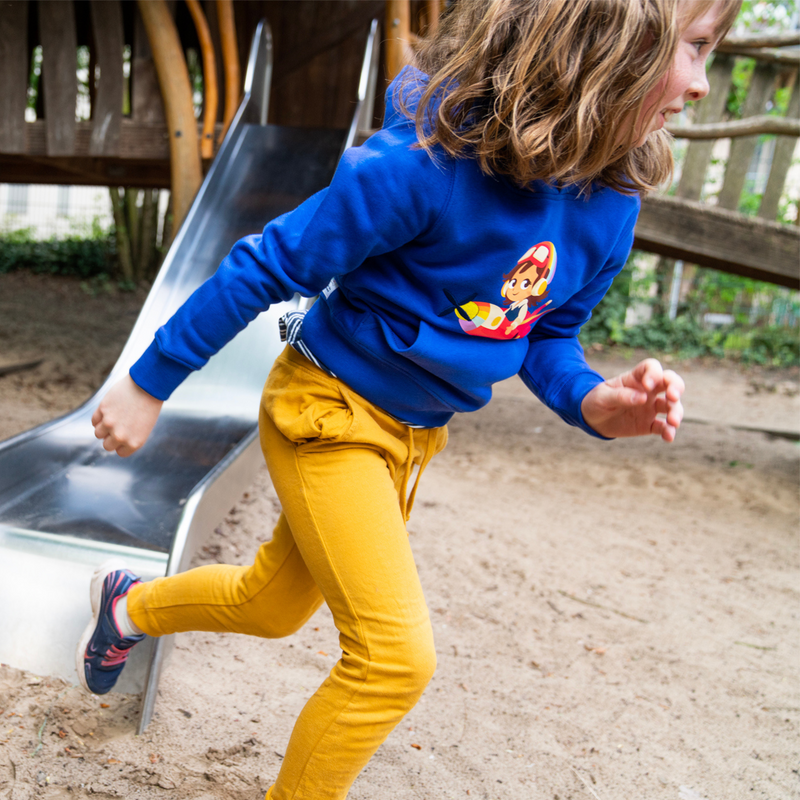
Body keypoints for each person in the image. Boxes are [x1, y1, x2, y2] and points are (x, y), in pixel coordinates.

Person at [76, 1, 740, 797]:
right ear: (600, 42)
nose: (702, 84)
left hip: (412, 438)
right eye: (695, 48)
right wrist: (149, 383)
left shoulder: (611, 201)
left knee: (272, 602)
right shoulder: (422, 167)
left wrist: (596, 403)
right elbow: (264, 265)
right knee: (392, 660)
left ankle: (127, 609)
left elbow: (545, 336)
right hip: (327, 415)